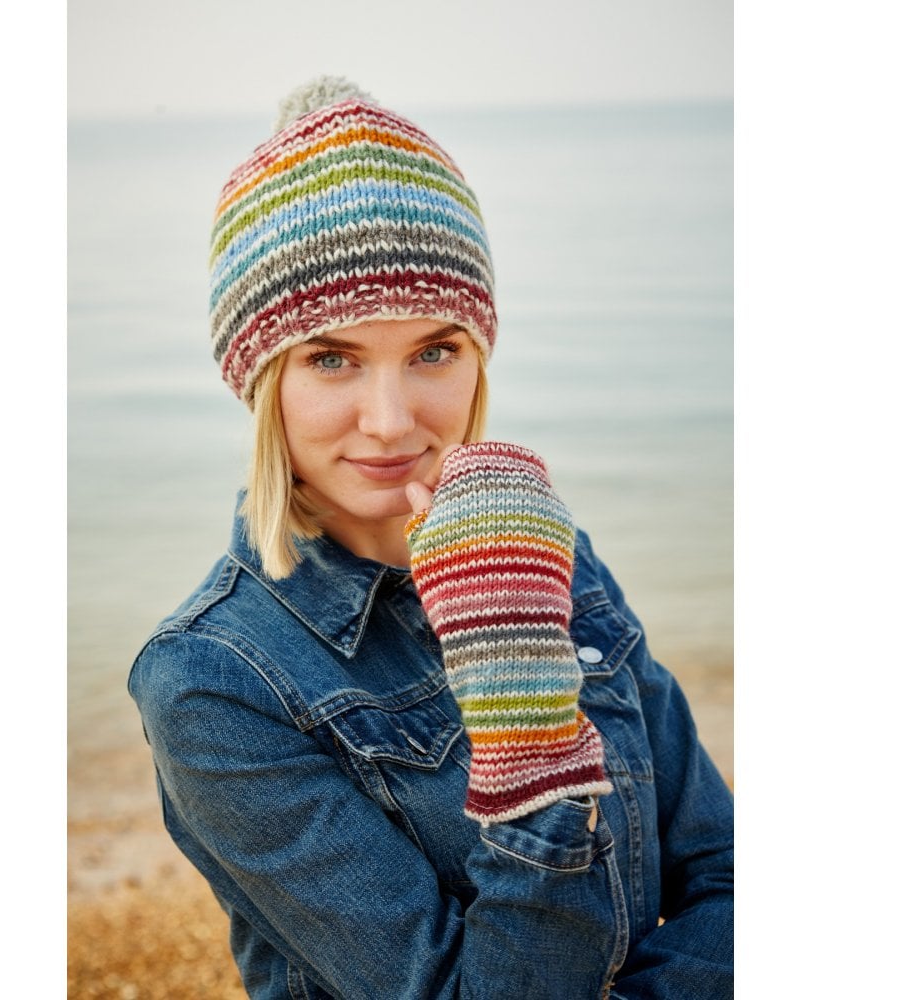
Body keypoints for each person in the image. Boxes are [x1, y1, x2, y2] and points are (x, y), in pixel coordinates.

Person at [128, 76, 734, 999]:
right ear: (261, 380)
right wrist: (531, 757)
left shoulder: (550, 557)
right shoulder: (210, 682)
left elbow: (728, 873)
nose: (390, 419)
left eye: (433, 351)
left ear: (477, 356)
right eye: (332, 358)